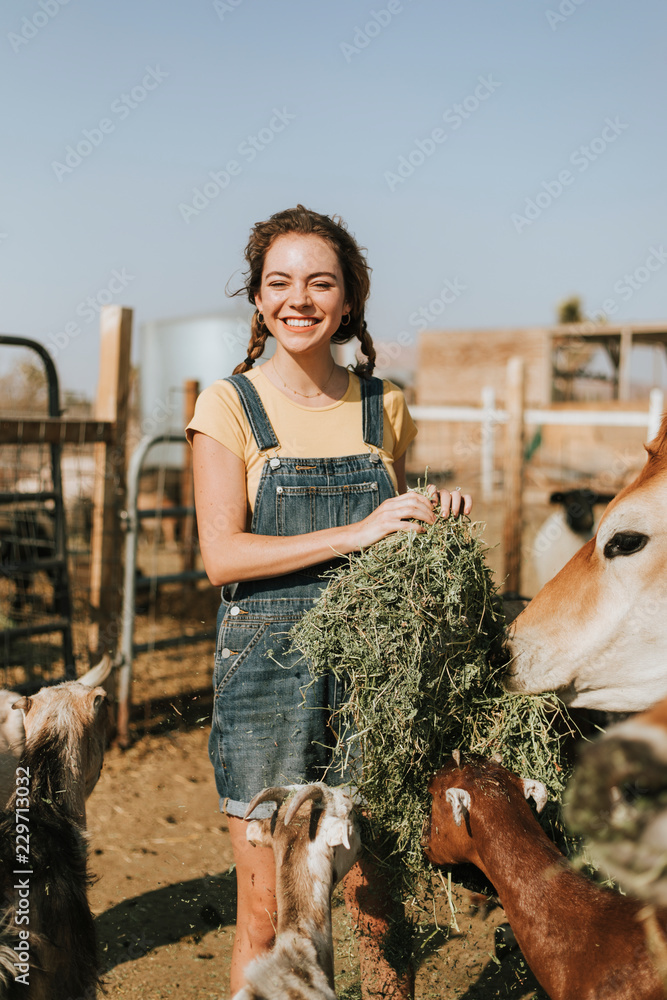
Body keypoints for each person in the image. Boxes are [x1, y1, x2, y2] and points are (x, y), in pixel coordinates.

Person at [186, 204, 472, 998]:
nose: (298, 299)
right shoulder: (227, 406)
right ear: (256, 299)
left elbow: (394, 549)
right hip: (266, 675)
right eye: (278, 283)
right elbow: (221, 555)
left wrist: (428, 521)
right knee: (270, 907)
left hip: (375, 675)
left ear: (349, 301)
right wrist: (356, 532)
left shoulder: (387, 406)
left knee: (378, 902)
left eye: (321, 283)